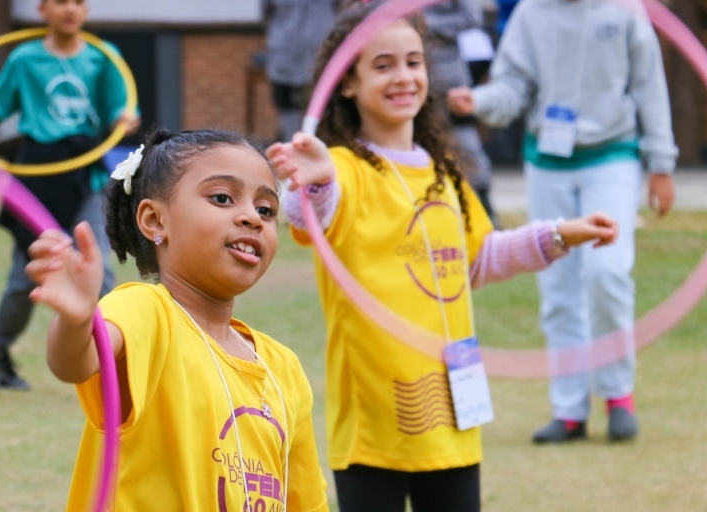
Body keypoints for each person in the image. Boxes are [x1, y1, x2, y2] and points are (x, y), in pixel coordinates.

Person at [266, 2, 618, 510]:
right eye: (382, 65)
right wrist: (317, 175)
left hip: (454, 410)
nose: (403, 76)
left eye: (413, 61)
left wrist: (563, 233)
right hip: (375, 420)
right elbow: (307, 215)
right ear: (347, 83)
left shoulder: (446, 173)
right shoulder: (343, 168)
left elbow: (480, 259)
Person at [27, 129, 330, 510]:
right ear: (155, 221)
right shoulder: (146, 312)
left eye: (266, 210)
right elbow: (77, 360)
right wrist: (75, 321)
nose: (252, 218)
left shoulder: (283, 368)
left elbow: (305, 502)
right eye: (222, 198)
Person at [447, 0, 678, 443]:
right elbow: (512, 87)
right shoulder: (531, 14)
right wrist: (478, 100)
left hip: (611, 154)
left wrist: (661, 163)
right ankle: (569, 408)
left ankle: (617, 393)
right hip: (548, 162)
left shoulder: (626, 11)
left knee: (606, 272)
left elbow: (650, 86)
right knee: (558, 287)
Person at [0, 0, 139, 391]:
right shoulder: (25, 58)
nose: (71, 9)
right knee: (26, 277)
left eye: (79, 2)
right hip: (38, 173)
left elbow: (123, 114)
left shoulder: (104, 58)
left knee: (98, 268)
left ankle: (112, 358)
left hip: (84, 171)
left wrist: (126, 120)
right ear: (42, 10)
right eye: (60, 2)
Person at [423, 0, 500, 228]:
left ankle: (485, 211)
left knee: (466, 145)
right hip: (409, 82)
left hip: (449, 80)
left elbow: (471, 17)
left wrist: (423, 23)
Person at [262, 0, 338, 142]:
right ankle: (291, 149)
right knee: (287, 107)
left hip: (322, 59)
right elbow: (267, 13)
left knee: (327, 111)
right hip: (284, 59)